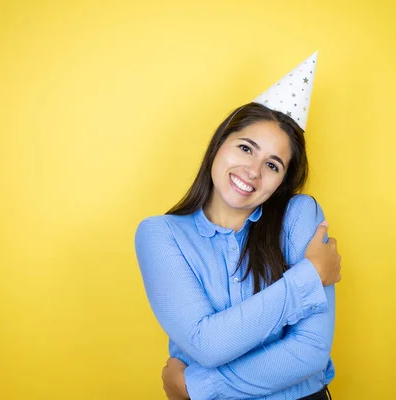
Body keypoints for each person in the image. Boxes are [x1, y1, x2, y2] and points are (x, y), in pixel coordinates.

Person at [135, 53, 342, 400]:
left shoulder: (298, 215)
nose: (253, 171)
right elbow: (207, 344)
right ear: (219, 145)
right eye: (246, 148)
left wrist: (197, 386)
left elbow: (311, 350)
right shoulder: (160, 235)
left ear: (282, 181)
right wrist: (309, 277)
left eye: (272, 166)